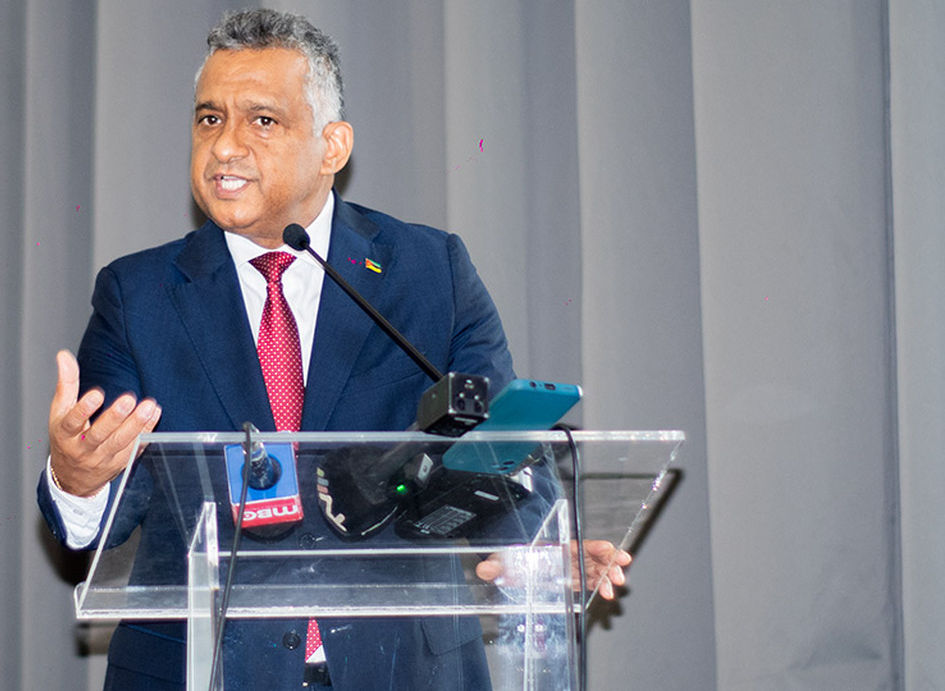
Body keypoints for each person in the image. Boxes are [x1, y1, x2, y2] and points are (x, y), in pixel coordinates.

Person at [38, 9, 629, 690]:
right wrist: (77, 477)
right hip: (200, 669)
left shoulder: (427, 272)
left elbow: (497, 439)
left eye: (262, 120)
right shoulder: (138, 293)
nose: (224, 146)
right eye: (209, 119)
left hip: (405, 669)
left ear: (332, 147)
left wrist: (538, 547)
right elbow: (102, 505)